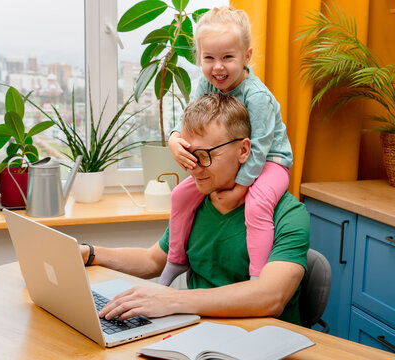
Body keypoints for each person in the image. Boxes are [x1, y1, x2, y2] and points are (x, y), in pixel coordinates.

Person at [81, 93, 309, 325]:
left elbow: (271, 297)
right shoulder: (195, 202)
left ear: (243, 150)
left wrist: (172, 300)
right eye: (189, 156)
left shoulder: (288, 214)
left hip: (262, 341)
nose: (194, 168)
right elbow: (152, 260)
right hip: (196, 334)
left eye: (204, 156)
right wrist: (90, 253)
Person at [161, 6, 294, 286]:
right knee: (180, 196)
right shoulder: (205, 85)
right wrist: (175, 138)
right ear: (199, 59)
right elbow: (188, 121)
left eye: (228, 57)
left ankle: (257, 277)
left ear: (246, 56)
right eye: (209, 58)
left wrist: (240, 188)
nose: (218, 67)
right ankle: (175, 260)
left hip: (271, 160)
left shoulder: (257, 97)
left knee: (256, 205)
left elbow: (259, 148)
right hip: (236, 160)